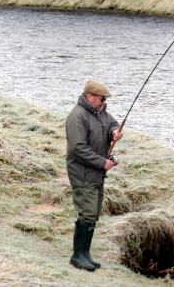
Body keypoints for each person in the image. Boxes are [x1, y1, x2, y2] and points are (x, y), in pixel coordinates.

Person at [65, 80, 123, 271]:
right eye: (102, 99)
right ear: (90, 97)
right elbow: (77, 148)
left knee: (93, 214)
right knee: (87, 213)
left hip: (96, 173)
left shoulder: (99, 112)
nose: (104, 102)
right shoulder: (77, 116)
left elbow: (111, 122)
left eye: (105, 100)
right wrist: (102, 162)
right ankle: (77, 256)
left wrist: (114, 131)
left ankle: (85, 254)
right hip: (83, 173)